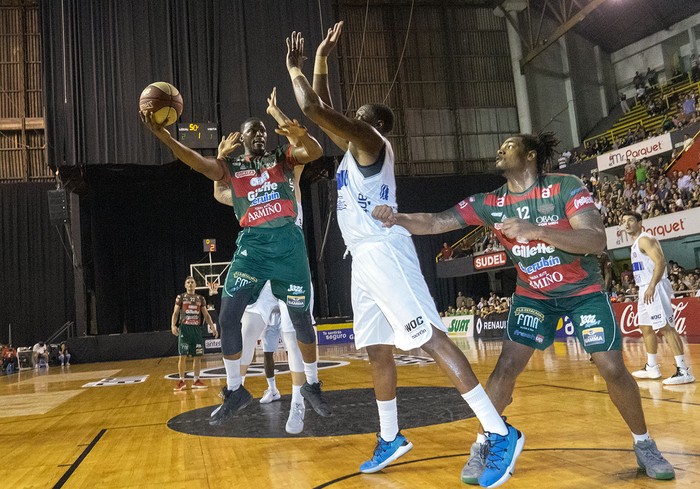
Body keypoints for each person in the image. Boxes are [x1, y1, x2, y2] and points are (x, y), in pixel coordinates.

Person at [286, 23, 523, 488]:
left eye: (352, 118)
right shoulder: (356, 149)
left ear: (369, 125)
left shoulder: (373, 145)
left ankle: (500, 431)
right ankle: (391, 436)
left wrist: (295, 67)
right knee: (377, 349)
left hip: (385, 255)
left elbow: (315, 108)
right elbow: (324, 109)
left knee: (431, 339)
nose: (343, 122)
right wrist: (322, 59)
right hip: (362, 259)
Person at [371, 132, 676, 481]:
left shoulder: (565, 187)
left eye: (510, 145)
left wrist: (538, 231)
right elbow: (437, 221)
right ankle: (484, 443)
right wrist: (397, 218)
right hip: (534, 296)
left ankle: (644, 443)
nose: (500, 149)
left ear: (531, 155)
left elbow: (595, 239)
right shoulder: (491, 202)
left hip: (583, 291)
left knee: (611, 367)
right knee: (504, 370)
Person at [140, 89, 331, 424]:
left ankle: (312, 385)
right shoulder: (232, 168)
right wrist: (166, 137)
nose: (259, 134)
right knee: (229, 318)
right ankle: (235, 390)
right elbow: (199, 166)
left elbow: (313, 151)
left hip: (288, 245)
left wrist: (295, 129)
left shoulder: (282, 158)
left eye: (262, 130)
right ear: (241, 138)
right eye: (252, 131)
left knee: (300, 322)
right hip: (252, 249)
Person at [619, 212, 695, 385]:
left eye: (630, 220)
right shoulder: (636, 243)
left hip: (655, 286)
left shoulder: (645, 240)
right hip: (645, 287)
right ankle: (652, 367)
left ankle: (683, 370)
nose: (627, 224)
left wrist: (652, 285)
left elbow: (660, 262)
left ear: (640, 222)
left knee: (666, 328)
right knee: (645, 327)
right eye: (624, 221)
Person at [171, 276, 217, 390]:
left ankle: (196, 380)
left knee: (197, 356)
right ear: (185, 285)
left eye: (192, 282)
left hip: (196, 329)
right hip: (184, 329)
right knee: (182, 356)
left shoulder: (200, 298)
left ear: (195, 285)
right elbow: (175, 313)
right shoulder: (180, 297)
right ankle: (181, 381)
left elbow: (206, 315)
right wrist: (173, 325)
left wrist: (212, 327)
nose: (190, 284)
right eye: (188, 282)